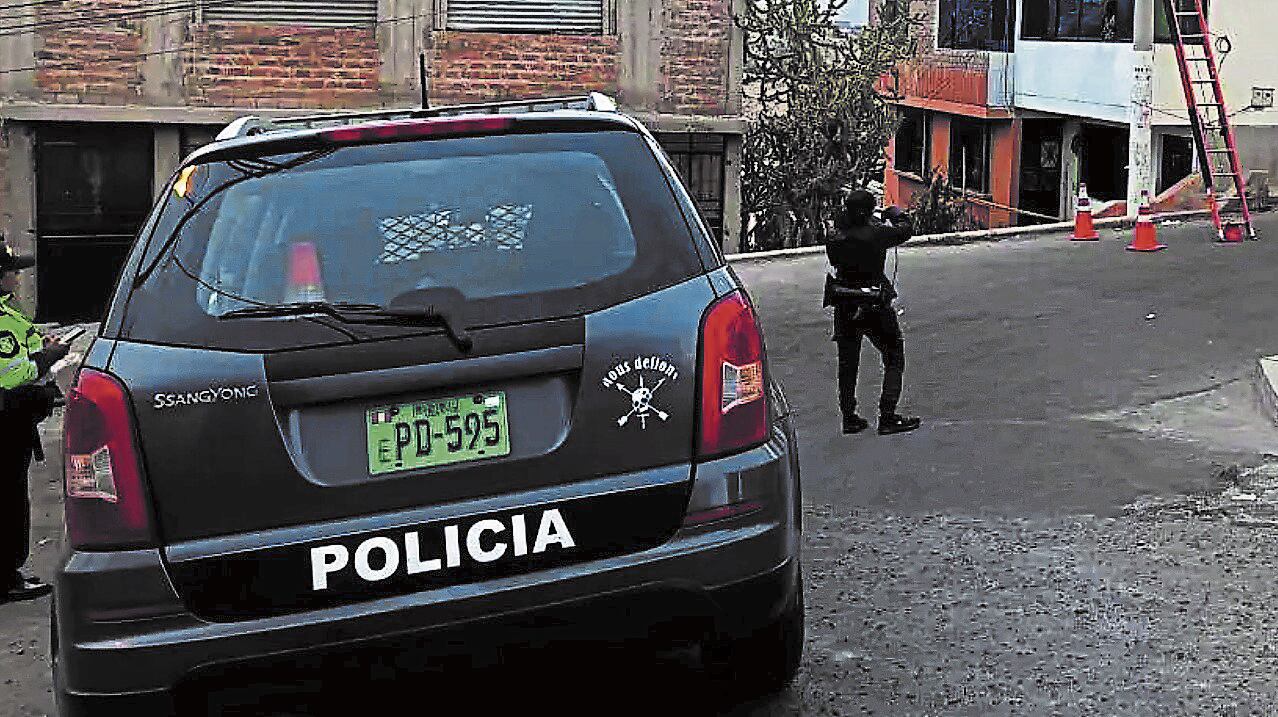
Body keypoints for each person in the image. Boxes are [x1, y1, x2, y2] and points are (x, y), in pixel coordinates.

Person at [0, 240, 68, 602]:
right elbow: (11, 373)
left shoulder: (8, 312)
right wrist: (48, 358)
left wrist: (41, 346)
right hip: (6, 423)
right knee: (8, 498)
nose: (16, 276)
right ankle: (5, 577)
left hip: (11, 420)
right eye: (10, 270)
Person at [823, 190, 922, 436]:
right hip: (873, 302)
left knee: (848, 363)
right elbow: (905, 229)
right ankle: (887, 416)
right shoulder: (876, 233)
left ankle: (849, 417)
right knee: (893, 354)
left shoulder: (835, 234)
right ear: (868, 211)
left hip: (844, 300)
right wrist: (893, 212)